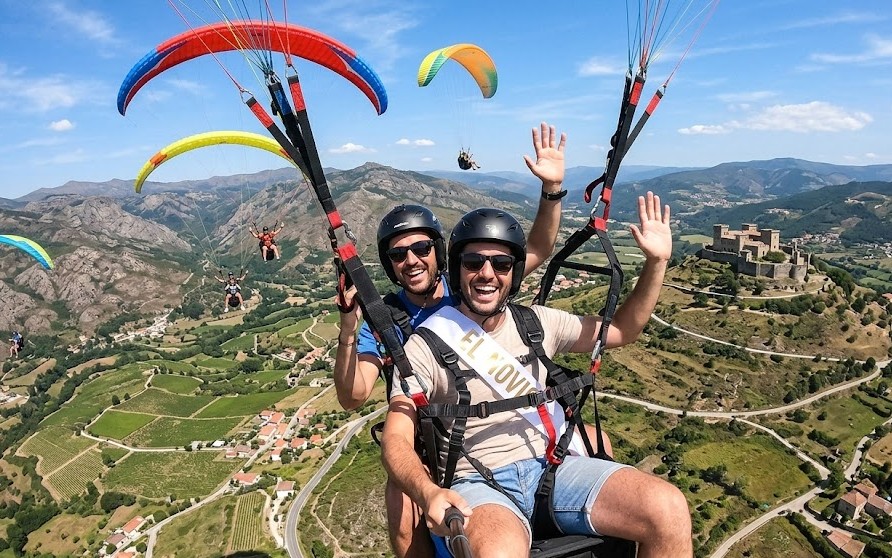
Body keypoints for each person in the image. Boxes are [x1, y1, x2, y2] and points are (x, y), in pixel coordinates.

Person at [381, 200, 692, 558]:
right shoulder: (426, 345)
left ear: (513, 273)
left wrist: (656, 263)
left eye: (500, 264)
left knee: (667, 508)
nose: (486, 274)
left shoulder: (536, 323)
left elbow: (622, 330)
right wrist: (428, 492)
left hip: (554, 467)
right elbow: (397, 437)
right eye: (473, 262)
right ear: (457, 269)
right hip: (479, 482)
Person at [334, 122, 569, 557]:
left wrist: (551, 190)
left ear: (438, 252)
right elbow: (354, 395)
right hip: (429, 439)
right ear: (388, 264)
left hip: (495, 423)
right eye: (398, 254)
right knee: (404, 520)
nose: (411, 260)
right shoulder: (383, 318)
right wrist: (349, 326)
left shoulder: (472, 283)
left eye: (421, 249)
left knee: (597, 443)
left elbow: (536, 247)